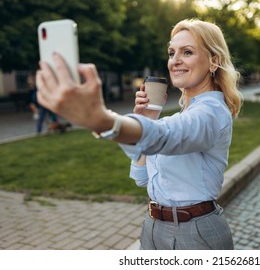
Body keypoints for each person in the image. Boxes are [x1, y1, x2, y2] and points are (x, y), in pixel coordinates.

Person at [36, 19, 242, 250]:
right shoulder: (183, 114)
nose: (175, 61)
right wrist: (147, 119)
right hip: (154, 228)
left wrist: (101, 119)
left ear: (214, 60)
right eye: (171, 52)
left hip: (194, 234)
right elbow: (141, 177)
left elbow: (166, 136)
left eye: (187, 52)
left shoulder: (211, 111)